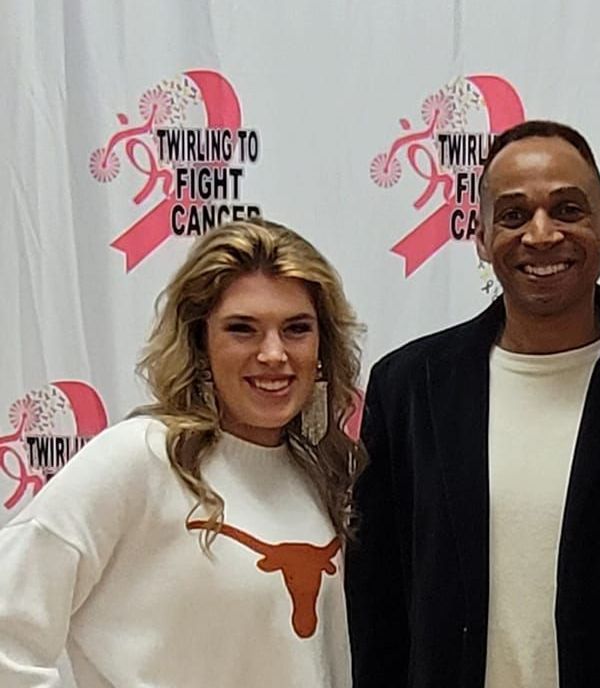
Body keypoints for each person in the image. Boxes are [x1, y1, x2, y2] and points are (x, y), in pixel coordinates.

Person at [346, 120, 600, 687]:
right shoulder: (409, 388)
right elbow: (376, 609)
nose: (541, 235)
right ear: (482, 236)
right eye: (514, 215)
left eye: (568, 209)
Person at [0, 219, 363, 687]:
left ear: (322, 345)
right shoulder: (142, 456)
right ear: (199, 342)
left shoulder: (321, 472)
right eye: (242, 329)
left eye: (296, 329)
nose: (273, 354)